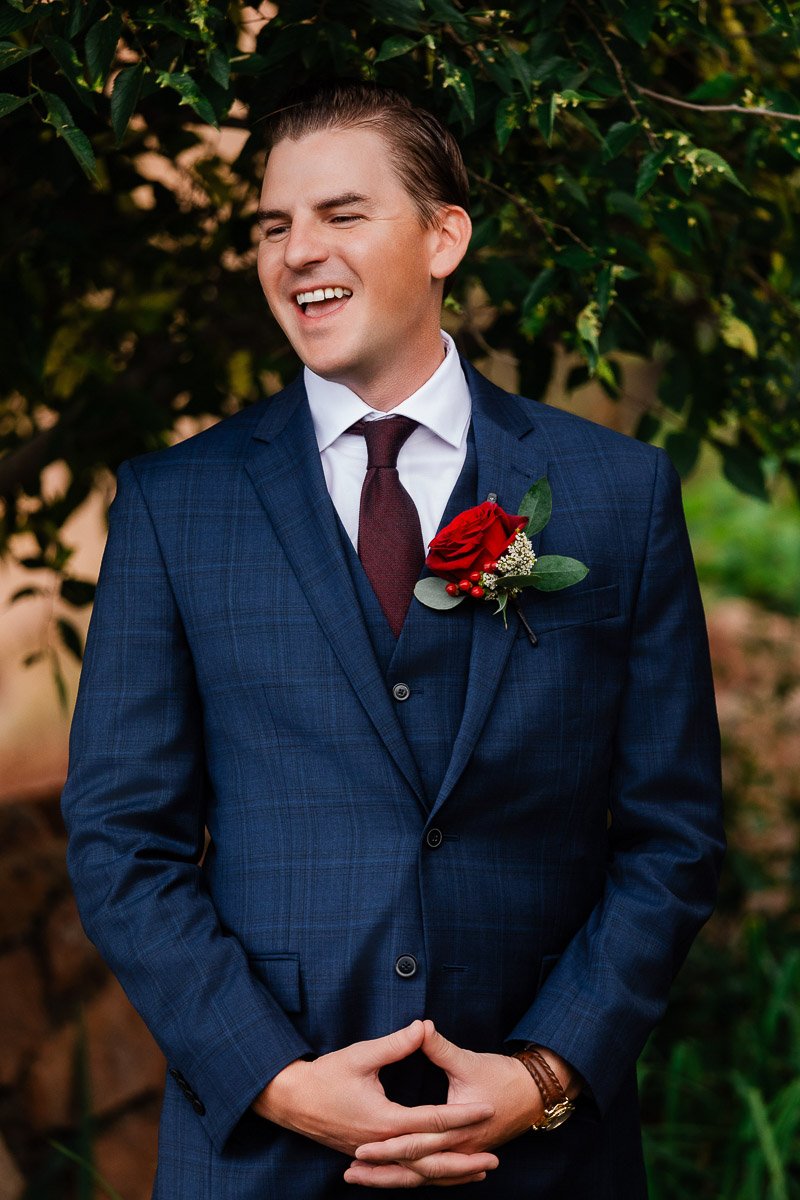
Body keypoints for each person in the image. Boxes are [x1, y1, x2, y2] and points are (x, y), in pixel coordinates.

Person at [61, 83, 724, 1197]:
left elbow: (672, 834)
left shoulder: (615, 495)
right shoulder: (178, 504)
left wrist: (546, 1069)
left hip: (537, 1159)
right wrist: (270, 1077)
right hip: (264, 1158)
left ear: (444, 235)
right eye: (273, 225)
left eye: (340, 213)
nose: (295, 251)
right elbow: (122, 840)